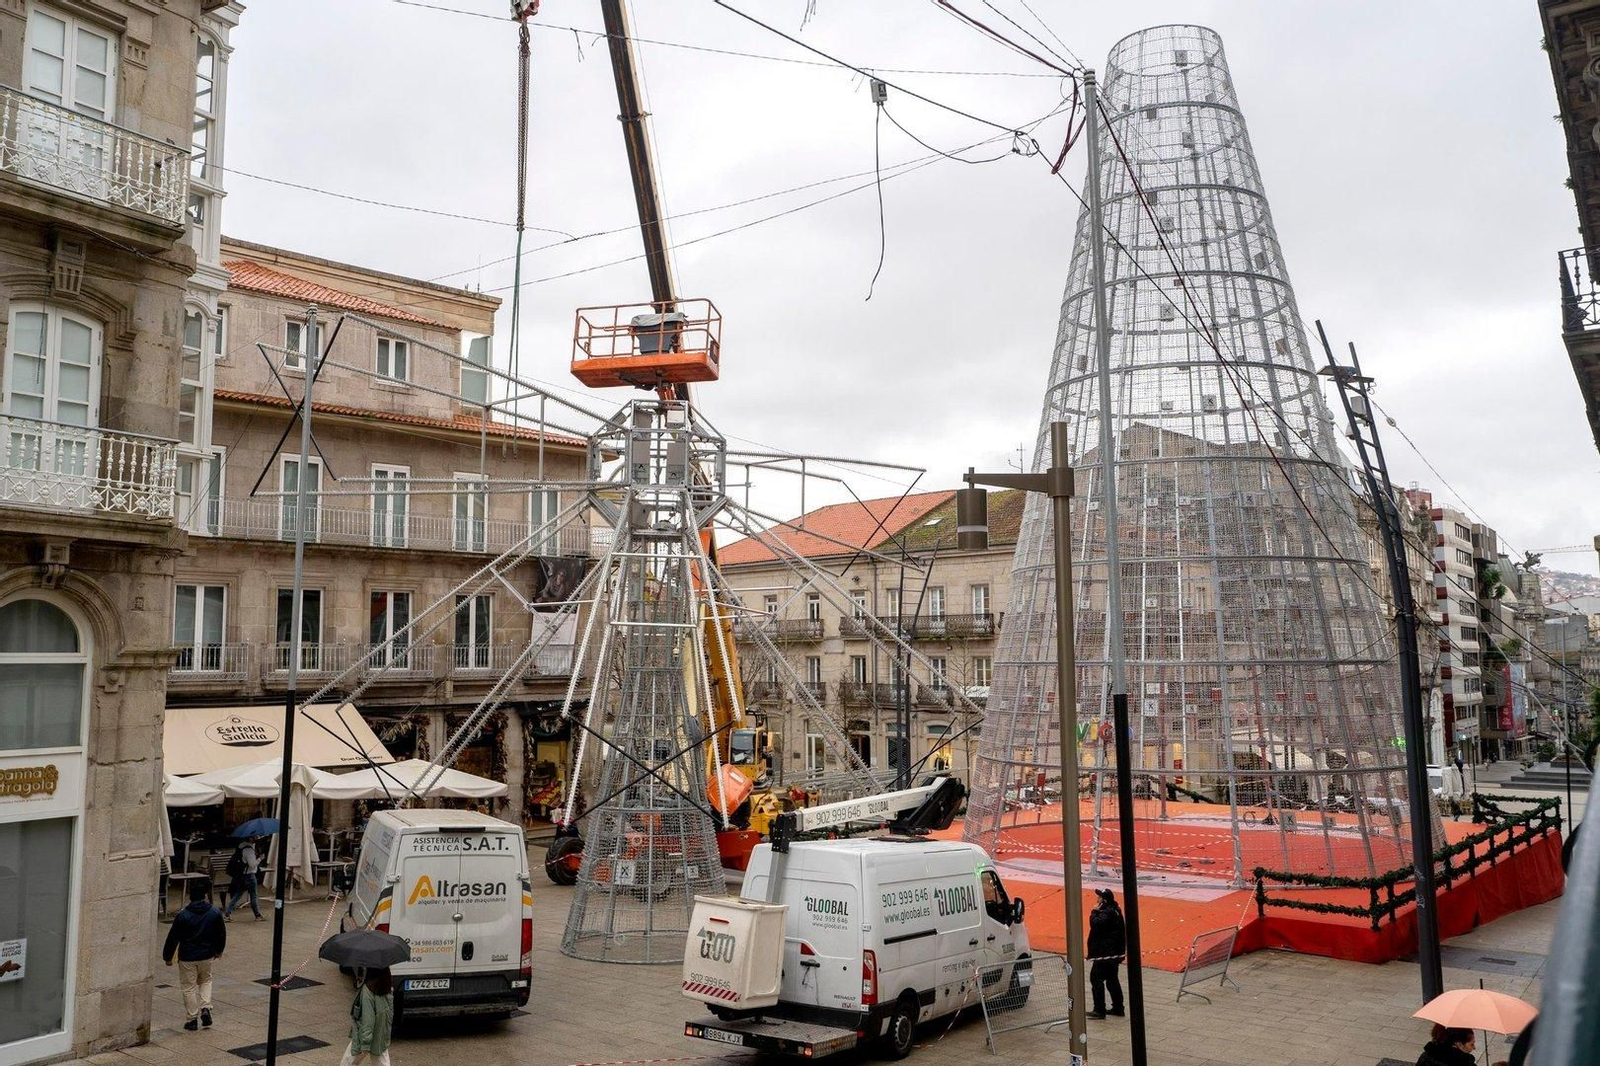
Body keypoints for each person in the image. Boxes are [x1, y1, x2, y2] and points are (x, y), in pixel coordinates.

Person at [162, 879, 226, 1031]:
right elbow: (221, 933)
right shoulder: (214, 912)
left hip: (188, 956)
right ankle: (205, 1007)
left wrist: (168, 957)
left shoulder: (183, 915)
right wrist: (219, 950)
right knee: (206, 980)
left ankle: (192, 1019)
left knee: (188, 987)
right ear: (204, 895)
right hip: (207, 954)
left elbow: (173, 938)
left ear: (190, 896)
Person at [1085, 888, 1126, 1020]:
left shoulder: (1106, 913)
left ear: (1104, 900)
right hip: (1114, 953)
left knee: (1096, 978)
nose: (1097, 899)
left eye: (1099, 897)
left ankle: (1099, 1009)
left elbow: (1096, 924)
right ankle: (1118, 1008)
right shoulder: (1115, 910)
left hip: (1104, 954)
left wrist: (1094, 912)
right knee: (1112, 979)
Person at [341, 968, 395, 1066]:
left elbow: (367, 1019)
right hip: (381, 1033)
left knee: (348, 1062)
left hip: (363, 1036)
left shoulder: (368, 989)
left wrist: (365, 1043)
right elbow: (389, 1013)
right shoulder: (387, 987)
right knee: (382, 1062)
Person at [223, 837, 263, 920]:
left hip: (242, 875)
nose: (256, 838)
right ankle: (258, 915)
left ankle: (227, 913)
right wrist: (260, 859)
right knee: (253, 895)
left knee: (238, 894)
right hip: (249, 875)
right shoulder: (249, 850)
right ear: (251, 839)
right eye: (255, 837)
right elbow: (252, 865)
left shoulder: (241, 848)